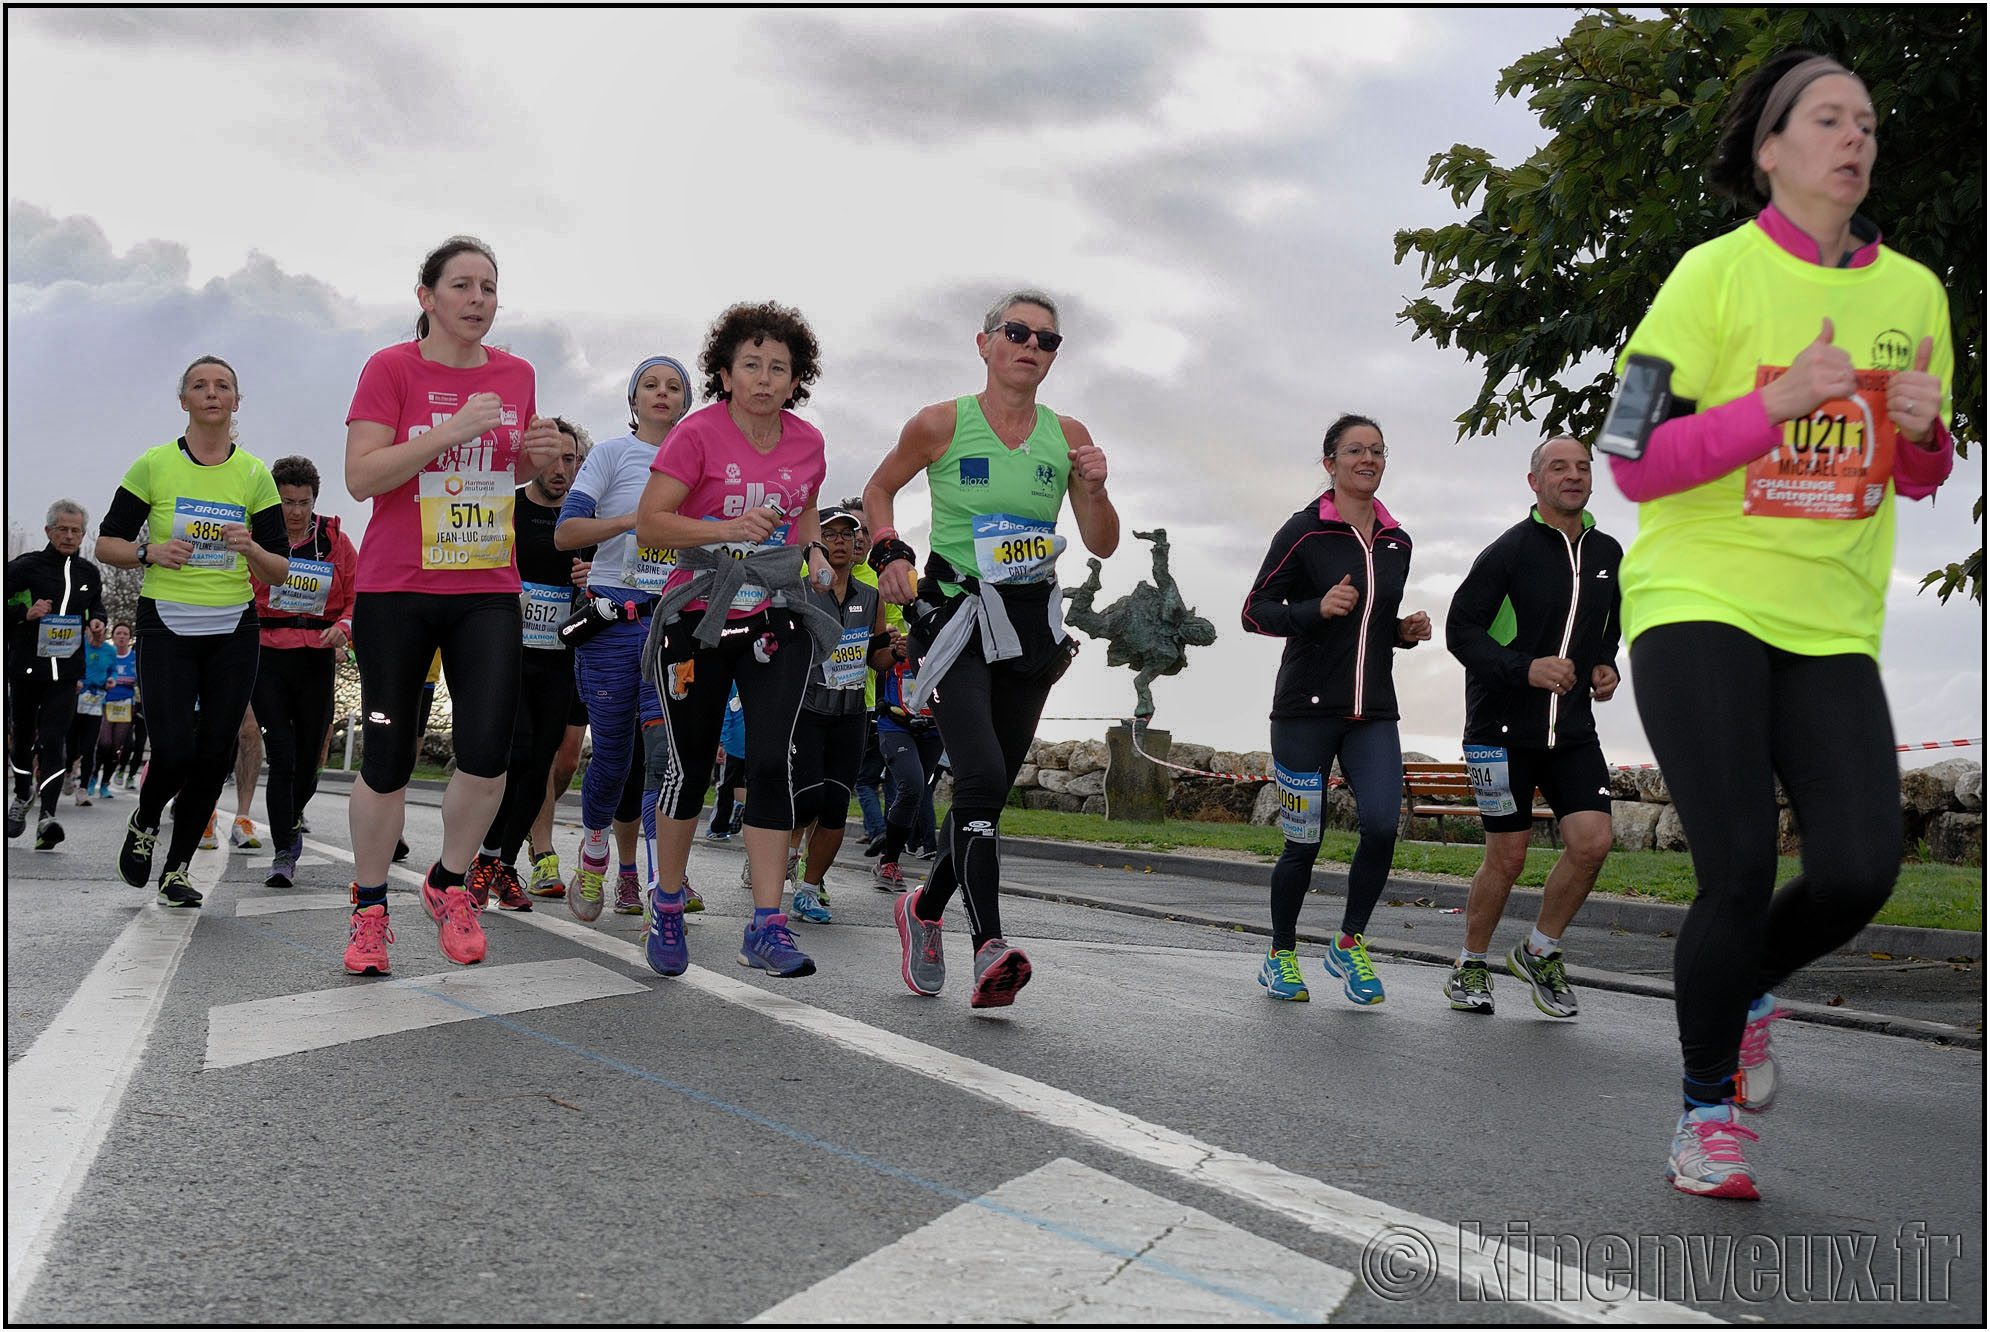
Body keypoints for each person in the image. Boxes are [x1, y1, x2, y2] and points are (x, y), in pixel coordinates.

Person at [1606, 52, 1954, 1200]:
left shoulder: (1914, 295)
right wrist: (1771, 406)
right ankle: (1704, 1113)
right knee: (1740, 863)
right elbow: (1630, 460)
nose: (1853, 137)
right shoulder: (1705, 279)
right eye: (1825, 119)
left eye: (1865, 121)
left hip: (1831, 621)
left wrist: (1924, 434)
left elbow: (1913, 476)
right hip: (1697, 597)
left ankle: (1746, 982)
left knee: (1859, 870)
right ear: (1768, 148)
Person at [862, 289, 1119, 1008]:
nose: (1031, 346)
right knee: (976, 780)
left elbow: (1101, 542)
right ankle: (990, 948)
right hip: (954, 620)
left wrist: (1095, 489)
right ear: (985, 344)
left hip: (1031, 628)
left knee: (990, 795)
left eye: (1047, 339)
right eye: (1017, 332)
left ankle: (922, 910)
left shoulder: (1067, 434)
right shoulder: (942, 422)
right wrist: (887, 551)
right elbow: (879, 487)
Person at [340, 235, 562, 973]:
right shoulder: (390, 368)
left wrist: (531, 455)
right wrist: (451, 430)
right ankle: (369, 909)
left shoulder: (517, 374)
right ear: (426, 297)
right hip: (397, 587)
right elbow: (363, 477)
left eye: (489, 288)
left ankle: (450, 881)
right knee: (387, 759)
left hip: (485, 586)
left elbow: (507, 472)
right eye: (462, 285)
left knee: (490, 751)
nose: (477, 300)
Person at [635, 301, 839, 980]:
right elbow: (651, 525)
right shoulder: (694, 435)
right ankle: (667, 903)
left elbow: (805, 506)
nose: (763, 377)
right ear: (724, 372)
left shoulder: (807, 442)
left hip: (775, 612)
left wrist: (813, 551)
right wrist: (723, 531)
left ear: (794, 379)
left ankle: (767, 924)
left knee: (773, 759)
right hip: (698, 612)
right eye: (750, 363)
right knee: (689, 764)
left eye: (778, 367)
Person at [1241, 413, 1432, 1005]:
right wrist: (1313, 609)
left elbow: (1371, 625)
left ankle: (1348, 943)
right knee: (1303, 839)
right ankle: (1280, 953)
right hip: (1304, 711)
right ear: (1330, 463)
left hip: (1372, 709)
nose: (1367, 460)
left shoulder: (1397, 539)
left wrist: (1400, 631)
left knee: (1380, 824)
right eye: (1355, 451)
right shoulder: (1304, 531)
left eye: (1377, 451)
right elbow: (1255, 610)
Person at [96, 359, 290, 905]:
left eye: (222, 385)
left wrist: (251, 547)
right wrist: (146, 551)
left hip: (233, 625)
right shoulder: (154, 465)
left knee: (214, 752)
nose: (211, 393)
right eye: (199, 386)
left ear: (236, 400)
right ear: (183, 400)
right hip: (167, 622)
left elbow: (280, 568)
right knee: (176, 748)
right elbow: (105, 543)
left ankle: (178, 869)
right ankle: (145, 819)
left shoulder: (254, 475)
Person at [1442, 436, 1623, 1018]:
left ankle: (1539, 949)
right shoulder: (1509, 552)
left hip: (1571, 730)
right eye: (1558, 468)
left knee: (1593, 842)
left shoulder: (1609, 553)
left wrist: (1604, 664)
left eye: (1582, 467)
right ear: (1535, 482)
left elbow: (1607, 627)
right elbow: (1461, 633)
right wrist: (1525, 669)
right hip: (1500, 731)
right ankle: (1470, 965)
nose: (1572, 476)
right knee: (1508, 856)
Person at [556, 356, 692, 918]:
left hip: (677, 625)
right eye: (650, 385)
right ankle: (593, 858)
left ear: (688, 400)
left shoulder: (701, 457)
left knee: (667, 759)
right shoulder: (613, 455)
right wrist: (635, 520)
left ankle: (666, 892)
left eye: (674, 387)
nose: (662, 394)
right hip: (615, 623)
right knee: (612, 758)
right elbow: (567, 532)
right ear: (633, 399)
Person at [465, 417, 593, 911]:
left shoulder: (584, 520)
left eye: (572, 460)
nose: (562, 468)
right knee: (514, 754)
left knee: (540, 763)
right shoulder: (508, 505)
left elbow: (608, 580)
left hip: (560, 657)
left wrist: (591, 576)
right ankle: (483, 858)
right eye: (555, 457)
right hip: (506, 651)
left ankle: (500, 863)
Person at [249, 454, 357, 887]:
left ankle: (292, 817)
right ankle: (282, 851)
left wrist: (343, 628)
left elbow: (355, 595)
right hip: (267, 655)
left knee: (310, 756)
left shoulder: (336, 542)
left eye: (303, 503)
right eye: (287, 502)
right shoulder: (258, 537)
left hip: (315, 655)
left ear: (315, 501)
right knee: (283, 755)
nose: (295, 512)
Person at [785, 505, 893, 923]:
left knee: (835, 805)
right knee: (807, 798)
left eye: (847, 535)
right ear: (817, 543)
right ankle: (785, 852)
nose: (840, 541)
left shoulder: (871, 597)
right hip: (808, 709)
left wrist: (894, 651)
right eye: (829, 534)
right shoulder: (801, 592)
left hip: (852, 713)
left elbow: (877, 659)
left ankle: (809, 891)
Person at [6, 500, 108, 849]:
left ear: (83, 534)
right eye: (62, 529)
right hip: (26, 667)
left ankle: (47, 815)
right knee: (21, 741)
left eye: (75, 530)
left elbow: (96, 605)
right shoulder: (24, 567)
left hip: (65, 669)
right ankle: (22, 795)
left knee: (53, 738)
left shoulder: (88, 573)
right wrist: (24, 612)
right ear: (49, 531)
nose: (68, 536)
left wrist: (98, 622)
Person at [867, 619, 942, 893]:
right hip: (896, 727)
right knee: (911, 786)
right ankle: (889, 861)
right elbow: (874, 663)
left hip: (933, 730)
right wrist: (889, 645)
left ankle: (889, 844)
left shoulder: (946, 642)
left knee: (916, 792)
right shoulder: (898, 641)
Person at [68, 617, 114, 806]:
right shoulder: (79, 647)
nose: (96, 636)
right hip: (77, 698)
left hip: (96, 701)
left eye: (100, 632)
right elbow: (69, 666)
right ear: (86, 631)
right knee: (71, 744)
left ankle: (83, 789)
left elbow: (113, 671)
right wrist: (74, 680)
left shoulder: (109, 651)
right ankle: (67, 772)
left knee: (89, 747)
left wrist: (112, 680)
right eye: (92, 632)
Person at [94, 623, 140, 800]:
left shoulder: (134, 658)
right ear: (113, 636)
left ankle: (105, 783)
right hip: (106, 703)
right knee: (104, 742)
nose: (122, 636)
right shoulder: (107, 654)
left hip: (125, 706)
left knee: (115, 747)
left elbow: (139, 679)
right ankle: (93, 775)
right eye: (118, 633)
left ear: (129, 638)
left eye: (125, 634)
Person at [704, 687, 747, 839]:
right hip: (753, 742)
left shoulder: (732, 681)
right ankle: (738, 806)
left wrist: (721, 742)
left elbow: (727, 712)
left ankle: (718, 827)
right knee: (741, 782)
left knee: (724, 785)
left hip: (733, 741)